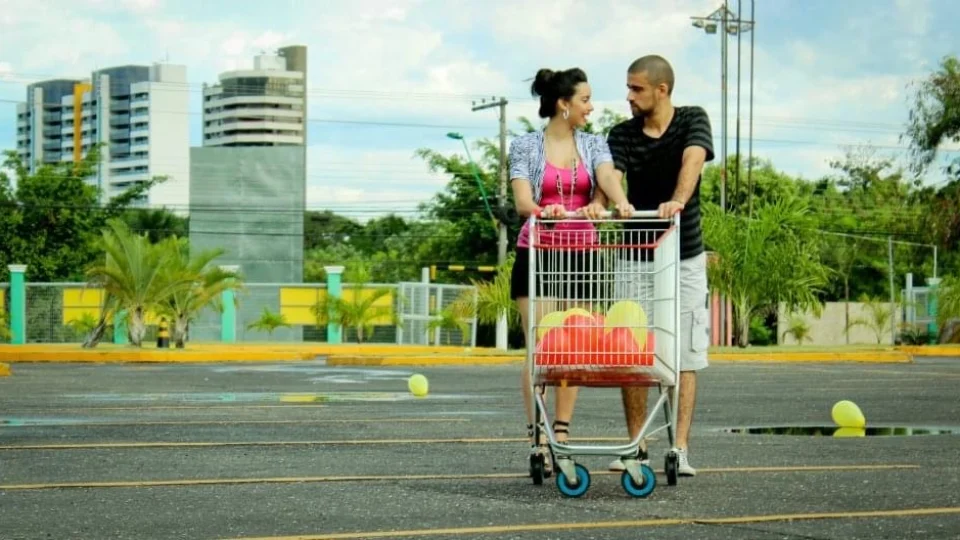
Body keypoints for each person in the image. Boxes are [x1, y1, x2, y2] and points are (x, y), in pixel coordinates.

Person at [508, 67, 632, 475]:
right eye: (584, 100)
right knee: (541, 349)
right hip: (539, 252)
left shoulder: (594, 142)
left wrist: (617, 203)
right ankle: (537, 435)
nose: (591, 107)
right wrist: (545, 211)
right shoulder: (526, 144)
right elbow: (523, 199)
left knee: (572, 347)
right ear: (563, 104)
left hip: (581, 255)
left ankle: (561, 431)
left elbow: (607, 177)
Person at [604, 55, 715, 476]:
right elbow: (612, 173)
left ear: (661, 90)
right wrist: (615, 202)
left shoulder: (692, 119)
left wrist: (678, 202)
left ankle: (679, 448)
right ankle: (637, 445)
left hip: (684, 255)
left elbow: (693, 161)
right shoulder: (623, 133)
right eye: (628, 88)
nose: (629, 96)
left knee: (684, 354)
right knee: (631, 351)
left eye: (636, 88)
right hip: (634, 257)